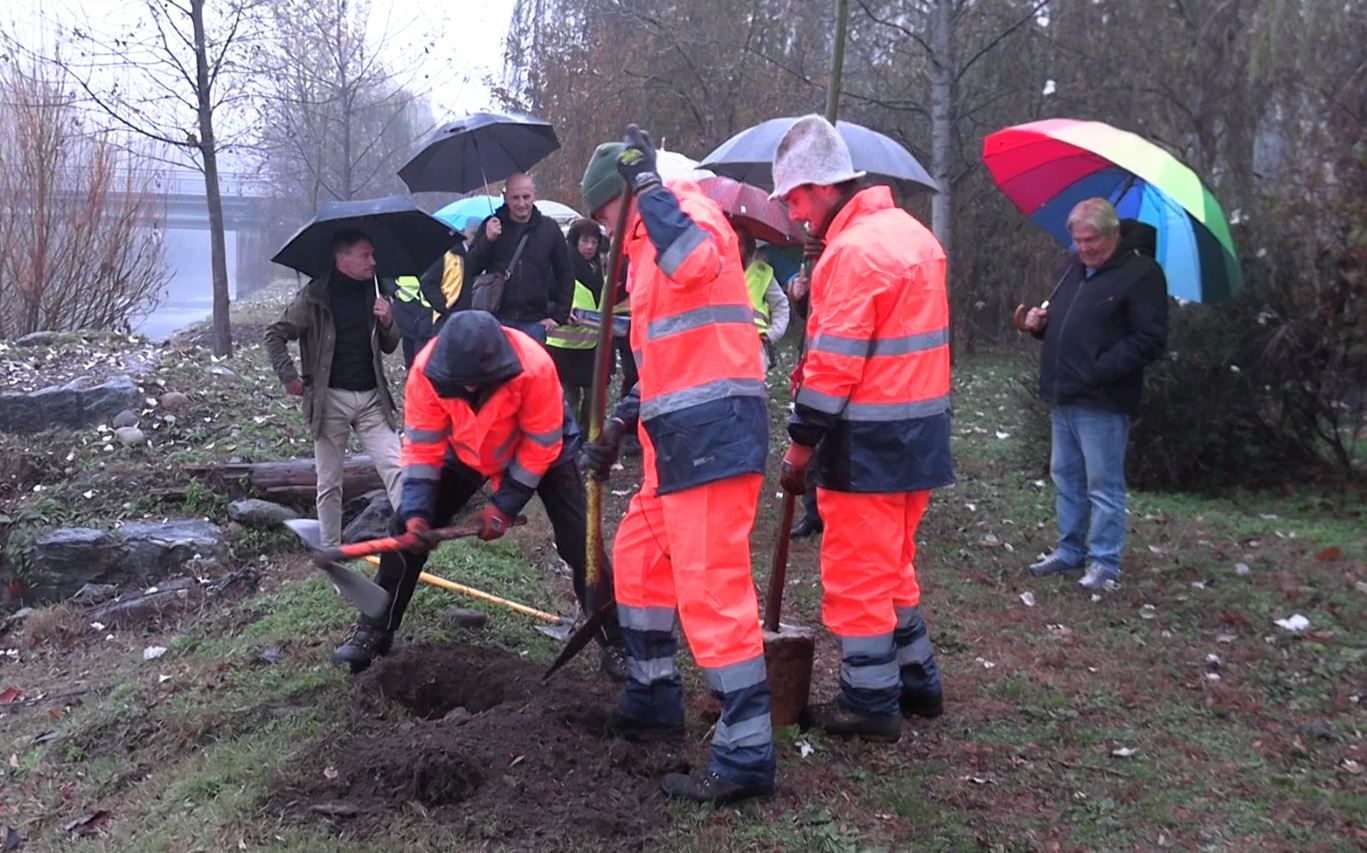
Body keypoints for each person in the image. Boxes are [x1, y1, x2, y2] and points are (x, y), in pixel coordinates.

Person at [578, 128, 775, 805]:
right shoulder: (642, 247)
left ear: (622, 197)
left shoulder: (684, 215)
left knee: (712, 591)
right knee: (637, 556)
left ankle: (746, 752)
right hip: (676, 442)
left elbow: (694, 262)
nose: (601, 233)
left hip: (712, 436)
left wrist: (651, 188)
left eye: (603, 215)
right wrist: (620, 423)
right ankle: (654, 692)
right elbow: (667, 356)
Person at [772, 115, 953, 742]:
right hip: (920, 434)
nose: (793, 215)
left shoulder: (853, 253)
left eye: (794, 199)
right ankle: (919, 683)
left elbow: (831, 371)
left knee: (855, 575)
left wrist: (799, 447)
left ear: (824, 188)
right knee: (893, 565)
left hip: (868, 442)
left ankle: (870, 702)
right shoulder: (913, 236)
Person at [331, 311, 628, 679]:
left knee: (579, 539)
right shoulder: (426, 372)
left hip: (543, 451)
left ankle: (615, 641)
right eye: (463, 384)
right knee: (402, 532)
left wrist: (503, 507)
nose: (470, 390)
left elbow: (539, 448)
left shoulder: (534, 367)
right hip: (468, 449)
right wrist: (418, 512)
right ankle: (375, 630)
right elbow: (423, 448)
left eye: (478, 383)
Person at [1019, 198, 1168, 590]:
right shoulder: (1073, 270)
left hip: (1103, 398)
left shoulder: (1141, 274)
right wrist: (1039, 325)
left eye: (1092, 241)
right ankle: (1070, 550)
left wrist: (1098, 370)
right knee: (1066, 476)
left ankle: (1104, 562)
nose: (1084, 249)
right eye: (1078, 241)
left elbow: (1150, 339)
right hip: (1063, 392)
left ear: (1113, 235)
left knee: (1103, 484)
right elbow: (1067, 327)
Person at [265, 230, 403, 548]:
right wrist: (289, 377)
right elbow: (274, 334)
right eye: (365, 255)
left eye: (373, 254)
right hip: (330, 401)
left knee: (397, 469)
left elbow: (390, 345)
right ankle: (331, 553)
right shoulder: (314, 296)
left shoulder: (379, 289)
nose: (373, 261)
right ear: (343, 259)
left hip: (372, 399)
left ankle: (412, 542)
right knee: (329, 483)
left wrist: (388, 321)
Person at [463, 173, 573, 344]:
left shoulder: (549, 229)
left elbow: (565, 272)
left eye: (526, 197)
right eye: (515, 198)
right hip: (497, 319)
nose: (521, 203)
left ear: (535, 195)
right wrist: (487, 240)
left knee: (531, 372)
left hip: (535, 322)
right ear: (506, 197)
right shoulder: (492, 225)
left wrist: (559, 315)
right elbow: (470, 268)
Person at [546, 218, 610, 430]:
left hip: (591, 341)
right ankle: (571, 439)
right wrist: (562, 313)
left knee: (594, 395)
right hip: (564, 345)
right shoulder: (562, 263)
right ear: (575, 242)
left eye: (593, 241)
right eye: (585, 241)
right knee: (568, 395)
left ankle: (585, 434)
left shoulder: (597, 266)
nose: (589, 246)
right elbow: (546, 298)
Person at [736, 229, 791, 372]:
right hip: (723, 348)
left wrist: (773, 333)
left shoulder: (761, 272)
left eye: (739, 243)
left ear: (747, 246)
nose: (735, 247)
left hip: (755, 348)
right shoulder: (715, 269)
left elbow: (781, 305)